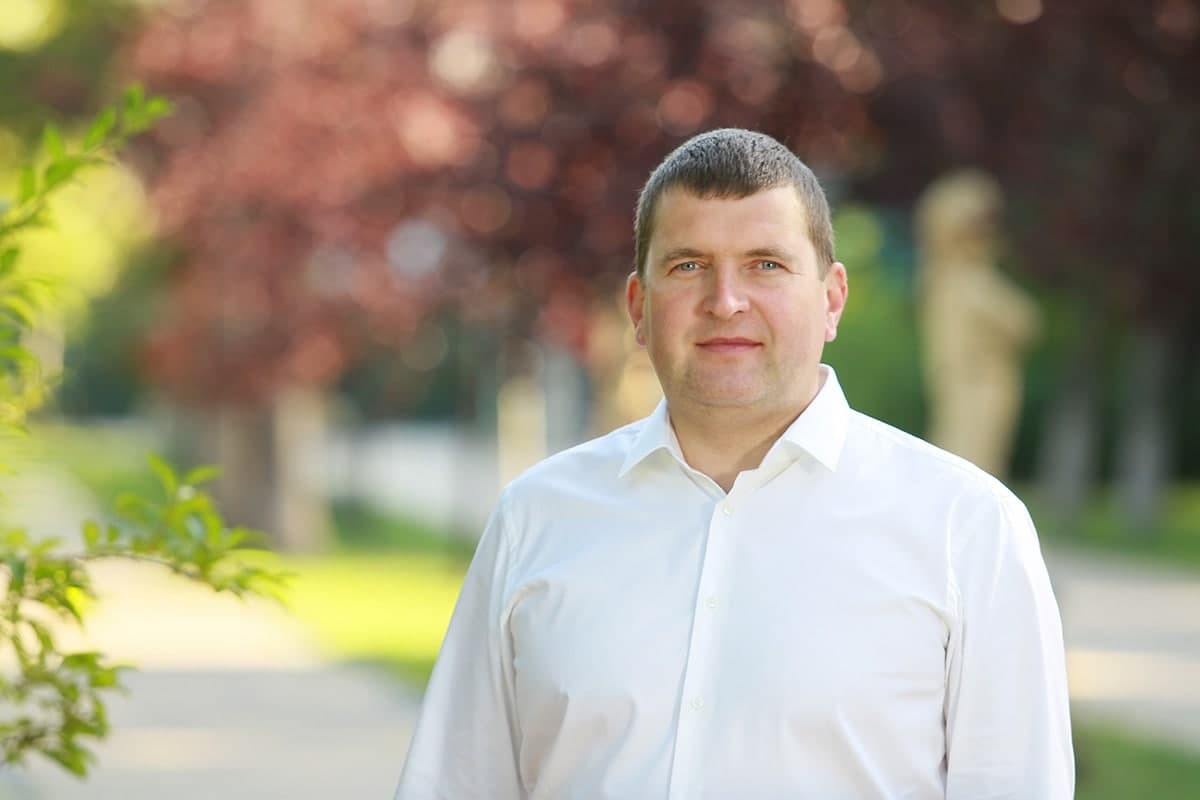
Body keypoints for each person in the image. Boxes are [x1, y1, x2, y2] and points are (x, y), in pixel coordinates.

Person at [393, 129, 1074, 799]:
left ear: (832, 299)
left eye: (766, 265)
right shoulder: (535, 518)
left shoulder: (967, 528)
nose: (725, 301)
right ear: (638, 307)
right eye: (689, 266)